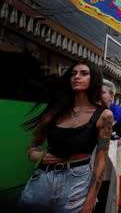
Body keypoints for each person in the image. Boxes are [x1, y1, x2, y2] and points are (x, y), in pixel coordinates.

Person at [18, 61, 113, 213]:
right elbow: (33, 146)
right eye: (73, 73)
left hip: (76, 181)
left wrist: (89, 202)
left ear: (94, 78)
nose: (77, 77)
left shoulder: (104, 115)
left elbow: (100, 163)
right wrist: (38, 155)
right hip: (42, 179)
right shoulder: (56, 110)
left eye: (84, 73)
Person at [95, 79, 121, 213]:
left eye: (102, 93)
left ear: (111, 96)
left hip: (110, 173)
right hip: (89, 172)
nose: (98, 96)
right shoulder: (89, 115)